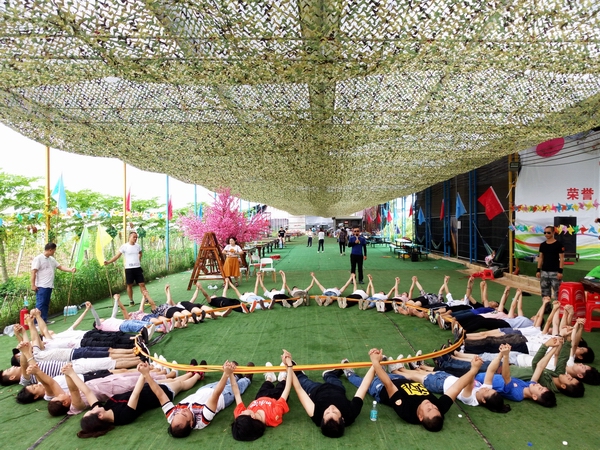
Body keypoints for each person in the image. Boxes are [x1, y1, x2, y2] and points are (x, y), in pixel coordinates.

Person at [346, 349, 480, 432]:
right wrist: (474, 369)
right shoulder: (438, 410)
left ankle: (350, 374)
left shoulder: (407, 412)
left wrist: (375, 362)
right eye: (434, 408)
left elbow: (388, 385)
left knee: (365, 383)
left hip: (381, 388)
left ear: (420, 417)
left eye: (429, 409)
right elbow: (456, 387)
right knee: (387, 374)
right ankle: (382, 369)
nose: (431, 405)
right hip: (402, 380)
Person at [68, 361, 202, 438]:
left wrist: (71, 373)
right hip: (156, 395)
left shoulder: (105, 408)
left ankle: (190, 372)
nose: (94, 407)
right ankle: (197, 375)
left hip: (147, 388)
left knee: (174, 380)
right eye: (92, 410)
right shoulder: (123, 416)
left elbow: (87, 391)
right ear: (100, 416)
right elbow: (135, 395)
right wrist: (144, 374)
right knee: (180, 385)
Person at [288, 351, 375, 438]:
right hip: (336, 388)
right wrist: (375, 363)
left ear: (322, 418)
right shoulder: (350, 413)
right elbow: (363, 387)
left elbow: (299, 390)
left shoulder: (317, 416)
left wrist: (289, 366)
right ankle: (328, 374)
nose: (330, 408)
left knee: (302, 380)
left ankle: (299, 373)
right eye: (335, 412)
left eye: (327, 413)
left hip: (316, 390)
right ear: (342, 419)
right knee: (332, 378)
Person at [162, 360, 252, 438]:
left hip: (204, 390)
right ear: (191, 423)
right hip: (223, 395)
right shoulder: (203, 418)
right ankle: (247, 379)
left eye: (177, 413)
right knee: (238, 386)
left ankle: (236, 376)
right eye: (184, 415)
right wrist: (226, 373)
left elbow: (161, 394)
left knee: (225, 381)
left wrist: (150, 377)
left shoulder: (172, 418)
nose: (182, 410)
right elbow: (216, 394)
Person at [231, 351, 293, 441]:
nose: (241, 412)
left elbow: (236, 393)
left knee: (266, 384)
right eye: (242, 413)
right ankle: (283, 376)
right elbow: (287, 388)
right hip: (277, 398)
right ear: (252, 416)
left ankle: (270, 377)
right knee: (282, 384)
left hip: (260, 397)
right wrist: (288, 365)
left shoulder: (241, 418)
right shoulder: (273, 415)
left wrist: (230, 373)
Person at [31, 242, 76, 322]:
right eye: (54, 250)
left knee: (46, 303)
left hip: (49, 285)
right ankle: (36, 322)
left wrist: (70, 269)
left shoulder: (51, 259)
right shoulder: (38, 258)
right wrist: (33, 285)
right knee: (40, 304)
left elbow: (60, 267)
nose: (54, 252)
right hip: (41, 285)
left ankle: (44, 319)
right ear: (50, 250)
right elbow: (33, 272)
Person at [104, 231, 145, 306]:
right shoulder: (124, 246)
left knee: (142, 284)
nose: (135, 238)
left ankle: (146, 299)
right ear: (129, 237)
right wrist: (108, 262)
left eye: (136, 237)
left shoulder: (138, 246)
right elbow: (117, 256)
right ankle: (131, 300)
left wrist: (139, 260)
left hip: (137, 268)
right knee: (129, 285)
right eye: (134, 237)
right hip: (129, 269)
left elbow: (140, 253)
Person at [536, 226, 564, 301]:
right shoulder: (543, 245)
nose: (546, 234)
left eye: (548, 232)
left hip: (555, 271)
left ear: (553, 233)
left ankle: (557, 306)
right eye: (545, 232)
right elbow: (541, 257)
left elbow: (561, 258)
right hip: (544, 271)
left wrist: (560, 271)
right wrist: (538, 270)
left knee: (557, 292)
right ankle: (546, 306)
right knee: (544, 291)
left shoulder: (558, 244)